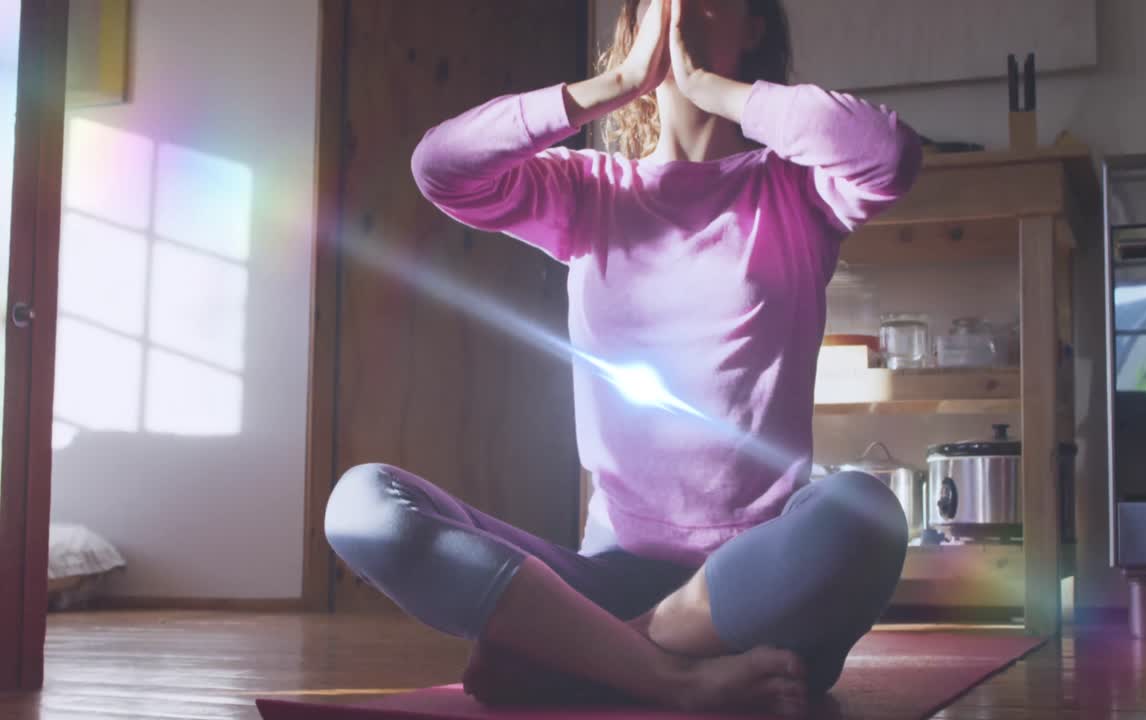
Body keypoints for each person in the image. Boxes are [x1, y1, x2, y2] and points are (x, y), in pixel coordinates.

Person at [325, 0, 921, 716]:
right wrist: (610, 87)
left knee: (866, 514)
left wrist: (716, 92)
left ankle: (595, 660)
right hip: (606, 581)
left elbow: (890, 154)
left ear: (754, 25)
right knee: (362, 507)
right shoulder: (589, 191)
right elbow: (440, 168)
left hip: (762, 593)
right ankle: (667, 679)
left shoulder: (795, 190)